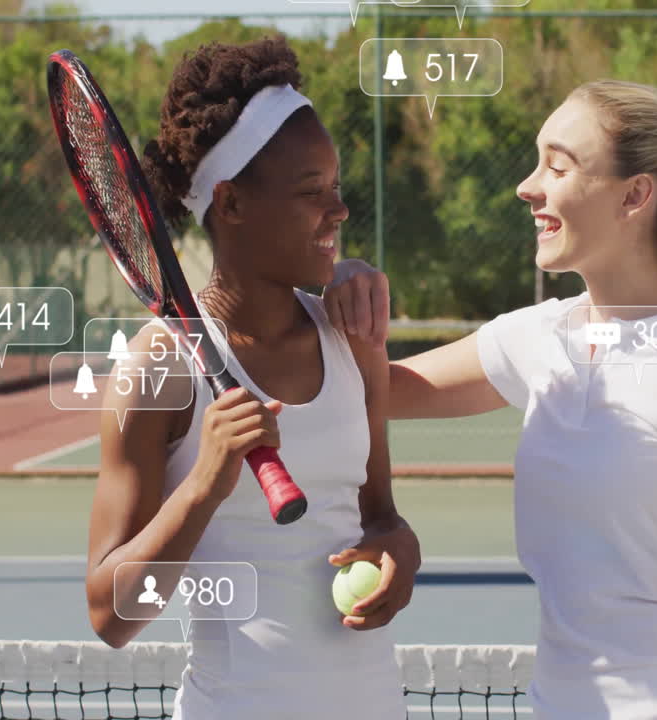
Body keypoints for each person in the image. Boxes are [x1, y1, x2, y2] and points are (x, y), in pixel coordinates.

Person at [325, 80, 657, 719]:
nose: (527, 185)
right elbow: (371, 390)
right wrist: (342, 285)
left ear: (635, 195)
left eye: (558, 165)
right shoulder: (536, 338)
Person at [83, 36, 418, 719]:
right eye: (311, 191)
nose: (340, 211)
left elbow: (384, 518)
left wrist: (397, 562)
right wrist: (203, 486)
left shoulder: (351, 335)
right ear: (231, 205)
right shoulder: (156, 368)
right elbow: (112, 613)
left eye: (337, 186)